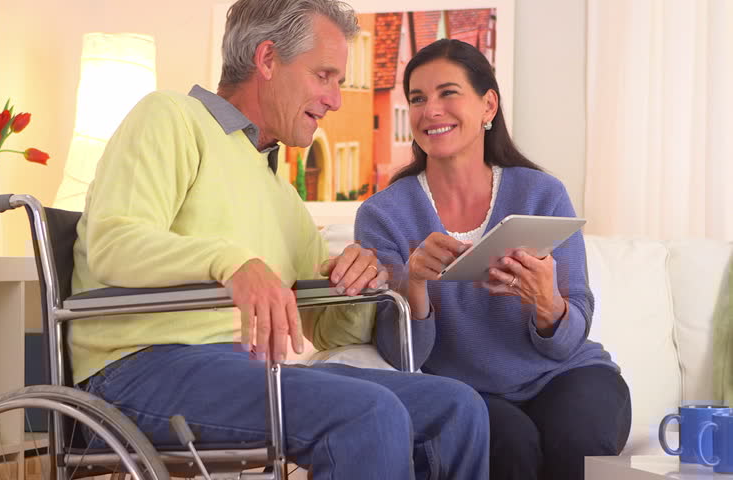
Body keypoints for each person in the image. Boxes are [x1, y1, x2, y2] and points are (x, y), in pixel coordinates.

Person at [71, 2, 490, 479]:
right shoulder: (170, 116)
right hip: (138, 371)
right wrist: (232, 263)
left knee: (456, 408)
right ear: (268, 59)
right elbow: (113, 244)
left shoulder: (279, 191)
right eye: (324, 75)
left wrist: (358, 278)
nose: (335, 99)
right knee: (367, 413)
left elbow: (332, 331)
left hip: (240, 371)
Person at [354, 39, 632, 480]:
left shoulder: (542, 194)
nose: (431, 111)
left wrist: (547, 304)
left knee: (576, 442)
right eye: (418, 99)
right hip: (469, 393)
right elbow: (402, 356)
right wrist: (415, 283)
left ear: (488, 106)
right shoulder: (384, 215)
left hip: (568, 375)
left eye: (448, 93)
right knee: (510, 446)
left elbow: (569, 336)